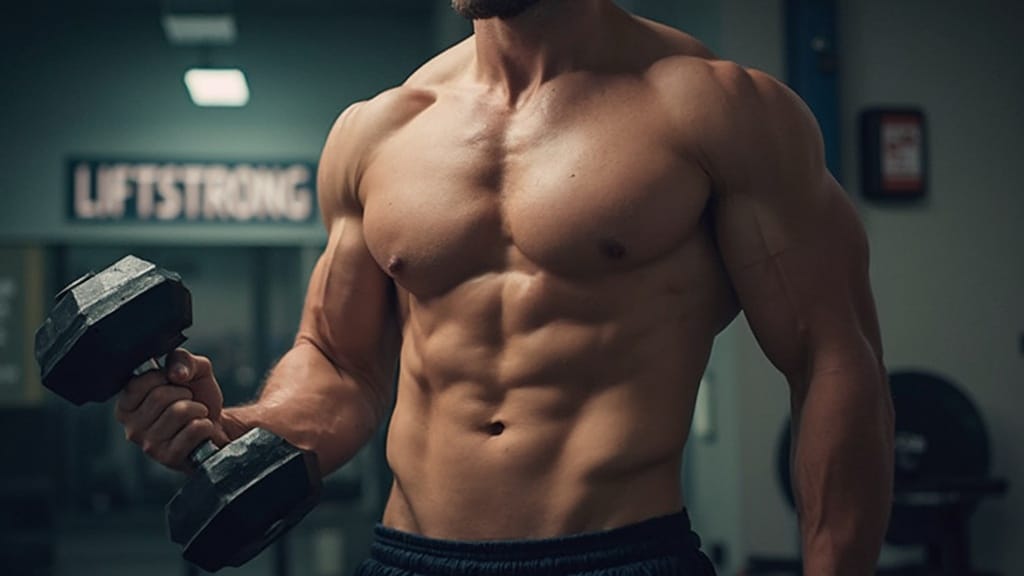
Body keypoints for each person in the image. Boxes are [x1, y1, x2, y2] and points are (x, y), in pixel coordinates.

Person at [115, 0, 895, 574]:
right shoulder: (379, 132)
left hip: (618, 557)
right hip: (410, 558)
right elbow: (341, 366)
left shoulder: (714, 110)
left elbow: (832, 358)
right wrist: (237, 430)